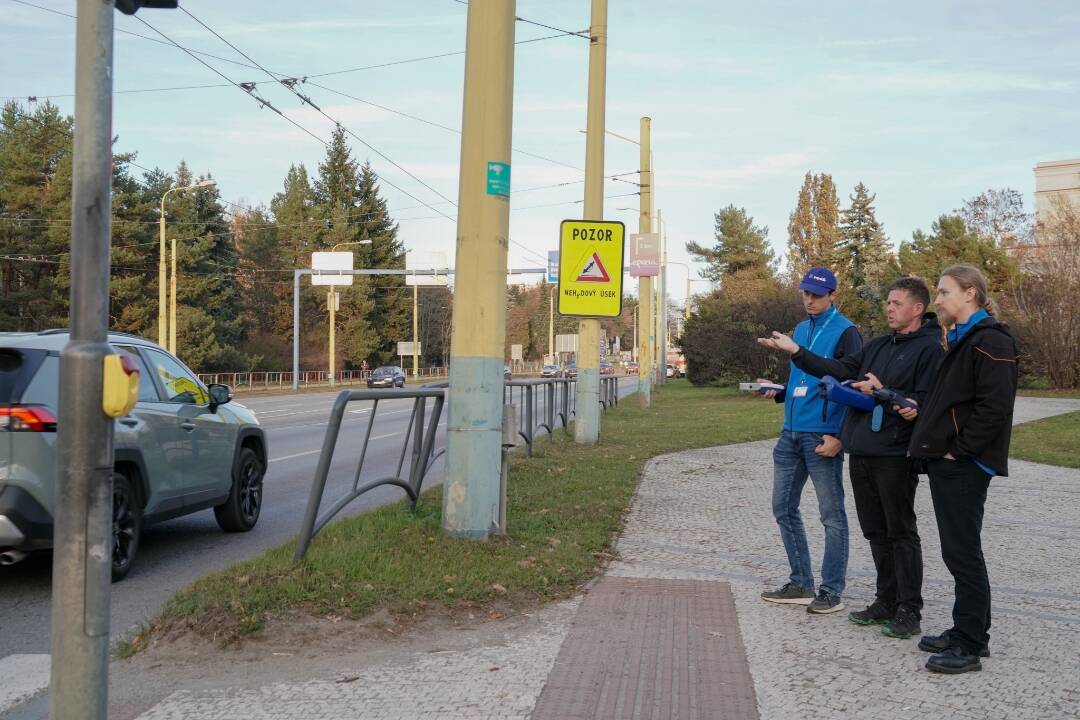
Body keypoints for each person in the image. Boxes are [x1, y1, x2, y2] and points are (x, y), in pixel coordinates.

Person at [758, 276, 944, 640]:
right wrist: (796, 353)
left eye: (897, 303)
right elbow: (840, 371)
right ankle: (885, 600)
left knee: (901, 532)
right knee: (876, 531)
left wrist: (885, 393)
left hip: (895, 452)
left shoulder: (930, 350)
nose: (889, 308)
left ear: (917, 309)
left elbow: (926, 401)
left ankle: (909, 608)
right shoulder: (878, 344)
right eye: (888, 302)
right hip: (864, 449)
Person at [908, 264, 1019, 674]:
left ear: (970, 294)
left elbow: (996, 406)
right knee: (959, 550)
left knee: (962, 552)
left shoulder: (990, 340)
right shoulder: (961, 338)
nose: (937, 300)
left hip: (964, 464)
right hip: (949, 460)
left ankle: (970, 644)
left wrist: (960, 451)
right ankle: (966, 629)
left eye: (943, 292)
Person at [755, 267, 862, 614]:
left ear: (833, 295)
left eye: (817, 294)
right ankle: (801, 583)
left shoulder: (847, 332)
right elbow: (804, 379)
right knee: (783, 507)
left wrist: (839, 437)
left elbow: (848, 382)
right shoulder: (801, 329)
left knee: (832, 516)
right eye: (805, 293)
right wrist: (780, 391)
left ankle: (831, 590)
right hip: (791, 433)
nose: (810, 299)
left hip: (822, 435)